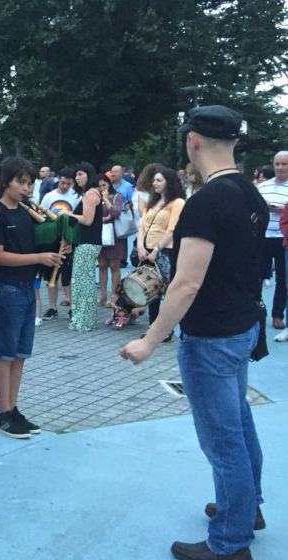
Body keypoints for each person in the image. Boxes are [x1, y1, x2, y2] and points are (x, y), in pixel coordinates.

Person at [121, 105, 267, 560]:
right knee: (239, 425)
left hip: (211, 338)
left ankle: (230, 542)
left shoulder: (207, 202)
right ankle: (246, 509)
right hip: (241, 327)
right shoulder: (251, 194)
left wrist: (148, 340)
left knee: (224, 440)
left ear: (193, 141)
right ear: (234, 143)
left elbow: (187, 283)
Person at [0, 158, 65, 438]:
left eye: (30, 183)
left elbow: (38, 245)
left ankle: (12, 408)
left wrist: (57, 244)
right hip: (6, 288)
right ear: (6, 182)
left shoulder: (26, 212)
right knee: (4, 353)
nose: (27, 188)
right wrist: (38, 257)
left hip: (25, 288)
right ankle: (2, 413)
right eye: (21, 182)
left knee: (20, 355)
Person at [136, 165, 186, 340]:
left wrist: (157, 249)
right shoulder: (153, 201)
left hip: (166, 251)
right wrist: (141, 247)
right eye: (154, 180)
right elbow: (142, 225)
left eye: (159, 180)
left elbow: (172, 229)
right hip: (147, 250)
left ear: (168, 182)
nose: (154, 183)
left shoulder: (177, 203)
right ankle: (153, 327)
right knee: (151, 290)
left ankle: (165, 329)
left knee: (167, 291)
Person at [66, 163, 103, 331]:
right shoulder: (93, 193)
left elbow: (87, 220)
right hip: (89, 242)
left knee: (83, 282)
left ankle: (84, 320)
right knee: (83, 281)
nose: (77, 178)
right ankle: (82, 318)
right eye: (76, 175)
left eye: (80, 174)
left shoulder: (90, 194)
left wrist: (68, 215)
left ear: (88, 174)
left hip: (88, 242)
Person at [39, 167, 80, 317]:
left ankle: (73, 307)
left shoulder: (77, 196)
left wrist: (70, 239)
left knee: (70, 274)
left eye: (68, 184)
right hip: (52, 239)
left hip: (69, 240)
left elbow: (77, 219)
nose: (65, 186)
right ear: (58, 180)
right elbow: (42, 217)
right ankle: (52, 307)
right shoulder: (49, 196)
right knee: (51, 276)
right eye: (62, 183)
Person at [255, 150, 288, 329]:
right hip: (264, 236)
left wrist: (281, 209)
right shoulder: (263, 186)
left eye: (284, 164)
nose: (280, 167)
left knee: (283, 279)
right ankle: (256, 311)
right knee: (257, 275)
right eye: (278, 164)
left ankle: (277, 314)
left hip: (284, 238)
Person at [97, 175, 125, 307]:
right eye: (99, 186)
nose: (102, 188)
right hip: (101, 234)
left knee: (114, 265)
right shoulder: (95, 197)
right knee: (102, 265)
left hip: (114, 234)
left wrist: (106, 200)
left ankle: (113, 295)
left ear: (109, 184)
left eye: (104, 185)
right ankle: (102, 294)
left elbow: (115, 212)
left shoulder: (117, 196)